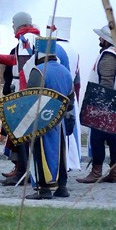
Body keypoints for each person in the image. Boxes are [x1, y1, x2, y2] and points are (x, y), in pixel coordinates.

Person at [0, 11, 39, 186]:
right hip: (22, 91)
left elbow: (25, 67)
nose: (12, 27)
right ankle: (19, 168)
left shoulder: (26, 39)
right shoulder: (28, 39)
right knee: (16, 133)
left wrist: (22, 96)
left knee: (20, 133)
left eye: (13, 24)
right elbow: (15, 60)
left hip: (23, 92)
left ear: (19, 24)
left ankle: (22, 171)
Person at [77, 25, 116, 184]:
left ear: (107, 40)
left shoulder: (109, 56)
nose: (99, 39)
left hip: (107, 102)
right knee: (114, 139)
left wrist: (99, 108)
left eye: (101, 37)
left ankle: (96, 172)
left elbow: (106, 83)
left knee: (97, 138)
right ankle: (115, 173)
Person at [24, 36, 75, 199]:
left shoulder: (38, 71)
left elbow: (30, 100)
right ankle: (62, 186)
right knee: (60, 153)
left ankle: (43, 189)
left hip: (41, 122)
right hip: (59, 121)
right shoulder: (65, 72)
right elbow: (71, 100)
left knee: (41, 152)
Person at [47, 16, 82, 174]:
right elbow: (77, 79)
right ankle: (71, 161)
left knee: (59, 133)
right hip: (70, 94)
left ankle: (61, 163)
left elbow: (56, 73)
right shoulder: (73, 49)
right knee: (70, 131)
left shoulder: (56, 48)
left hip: (58, 96)